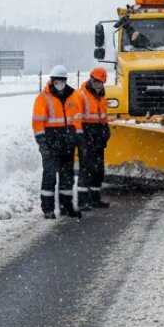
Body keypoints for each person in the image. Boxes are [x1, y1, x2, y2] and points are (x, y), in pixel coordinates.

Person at [32, 65, 83, 219]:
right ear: (52, 81)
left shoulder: (74, 96)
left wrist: (78, 135)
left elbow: (77, 118)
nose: (59, 84)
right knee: (49, 176)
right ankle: (48, 209)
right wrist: (42, 142)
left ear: (66, 81)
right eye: (56, 81)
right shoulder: (43, 98)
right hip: (50, 144)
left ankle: (66, 206)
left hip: (68, 143)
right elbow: (37, 122)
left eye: (62, 81)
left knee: (67, 178)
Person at [74, 66, 111, 211]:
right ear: (91, 80)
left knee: (98, 169)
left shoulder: (101, 97)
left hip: (98, 135)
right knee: (86, 168)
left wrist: (106, 130)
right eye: (96, 82)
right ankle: (83, 201)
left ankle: (95, 199)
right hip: (86, 134)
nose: (98, 85)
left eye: (101, 82)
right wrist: (80, 136)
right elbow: (76, 118)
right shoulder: (81, 95)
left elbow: (103, 116)